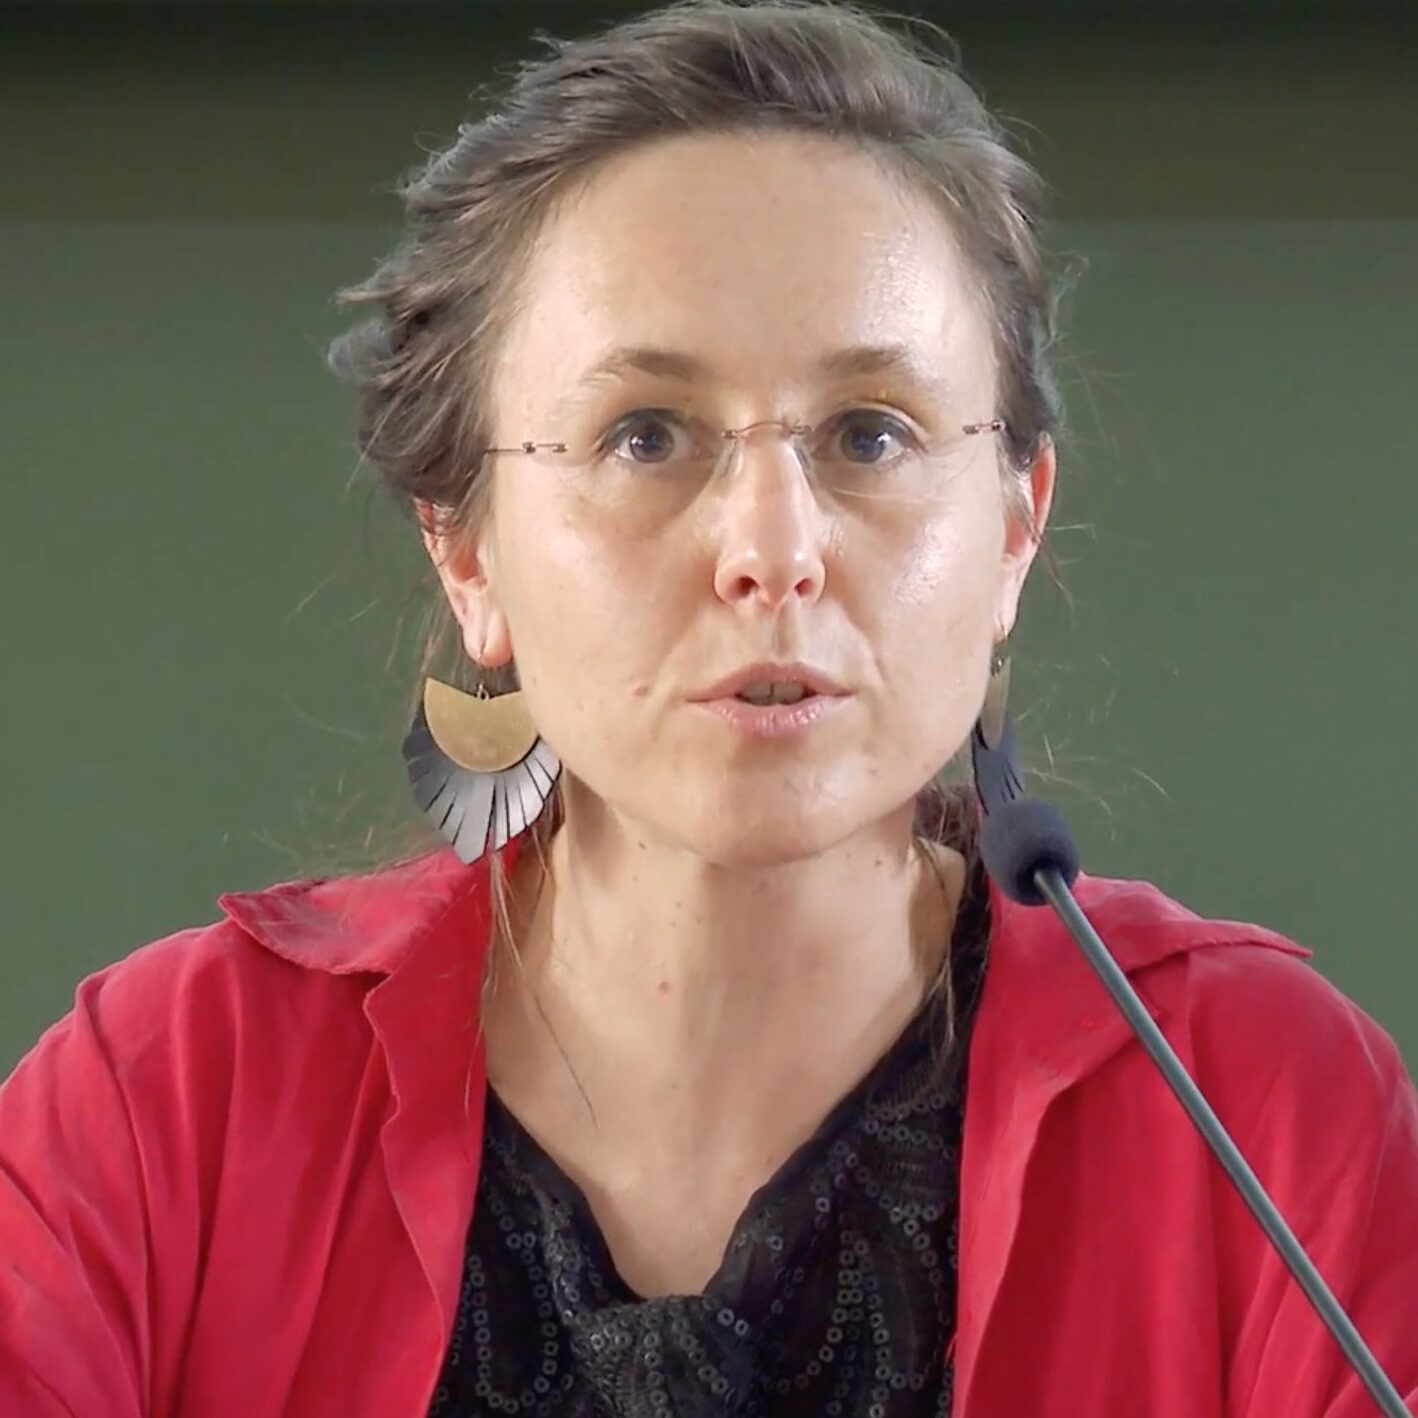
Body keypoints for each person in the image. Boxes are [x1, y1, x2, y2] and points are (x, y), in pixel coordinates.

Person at [3, 2, 1416, 1414]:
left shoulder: (1268, 1109)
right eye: (645, 436)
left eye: (870, 433)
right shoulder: (161, 1099)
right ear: (467, 551)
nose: (771, 549)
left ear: (1010, 531)